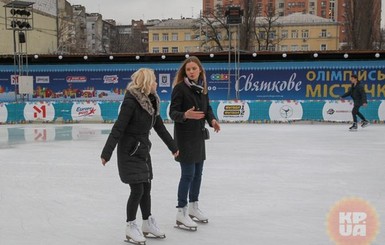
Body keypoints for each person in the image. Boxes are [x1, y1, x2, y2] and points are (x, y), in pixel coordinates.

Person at [101, 68, 179, 244]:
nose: (156, 84)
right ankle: (130, 226)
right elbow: (118, 128)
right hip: (129, 151)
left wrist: (173, 147)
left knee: (146, 187)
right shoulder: (131, 102)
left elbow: (159, 127)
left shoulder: (151, 102)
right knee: (137, 189)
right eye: (154, 80)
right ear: (146, 83)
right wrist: (107, 152)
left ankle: (147, 223)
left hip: (143, 150)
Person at [169, 56, 221, 230]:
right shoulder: (180, 88)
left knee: (198, 174)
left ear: (200, 70)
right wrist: (185, 115)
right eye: (188, 69)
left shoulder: (202, 89)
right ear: (185, 72)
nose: (191, 71)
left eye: (194, 69)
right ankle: (181, 212)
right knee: (188, 174)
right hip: (184, 139)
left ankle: (193, 207)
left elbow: (208, 109)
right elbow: (172, 113)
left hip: (198, 138)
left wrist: (212, 121)